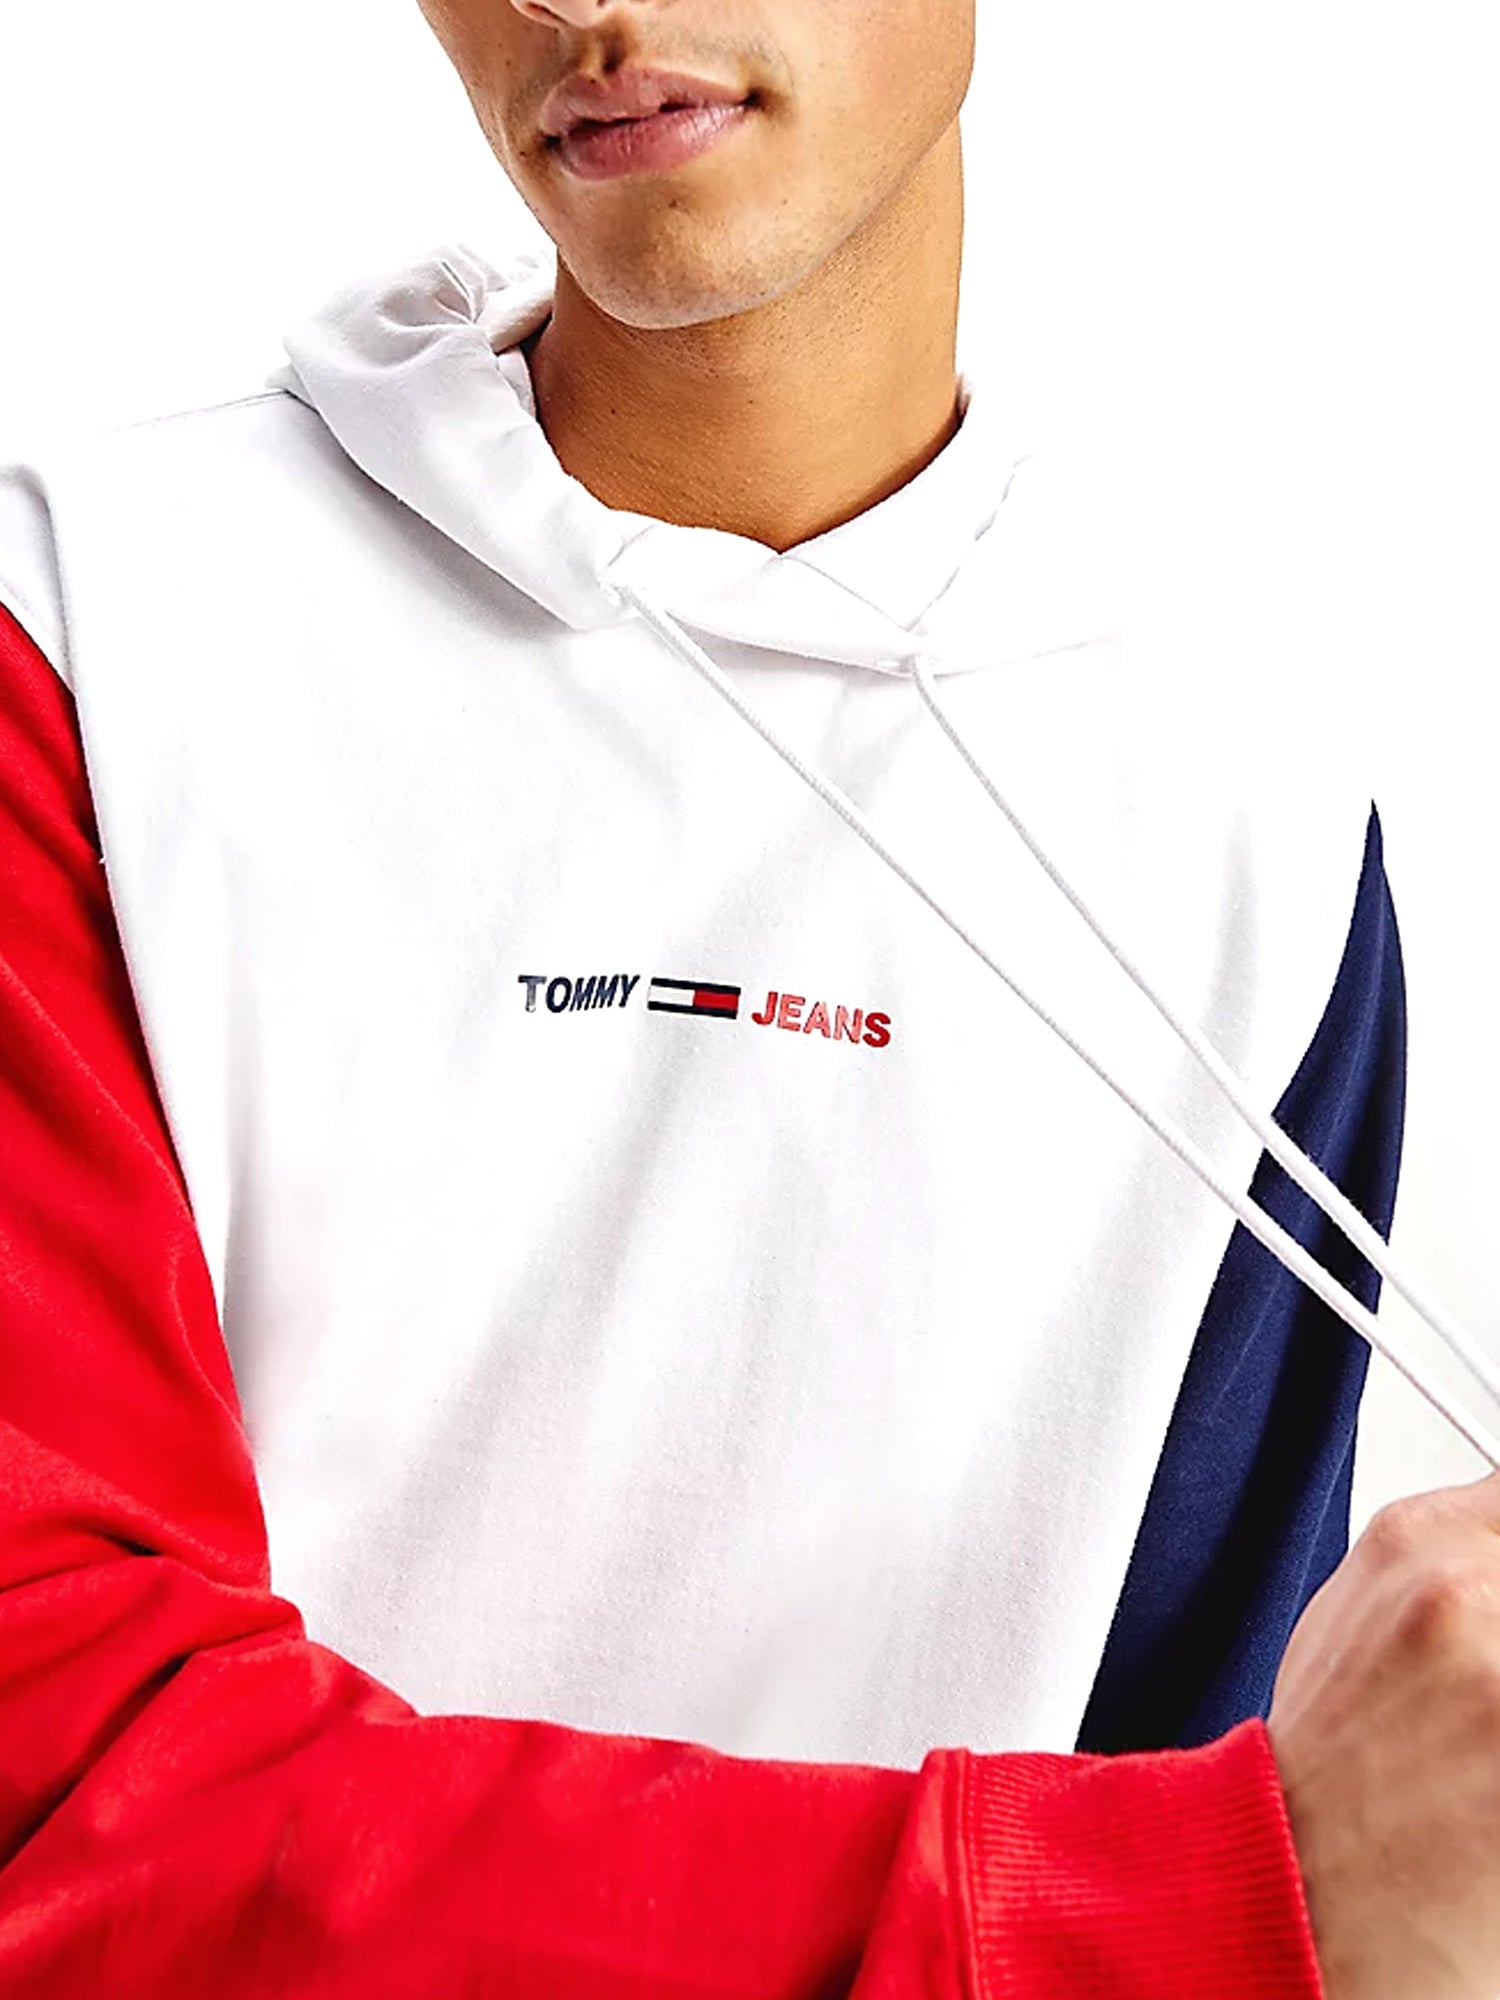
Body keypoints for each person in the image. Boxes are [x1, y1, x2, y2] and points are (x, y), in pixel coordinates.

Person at [1, 1, 1499, 1994]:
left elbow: (1238, 1785)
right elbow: (63, 1789)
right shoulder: (91, 644)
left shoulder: (1253, 797)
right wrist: (1190, 1893)